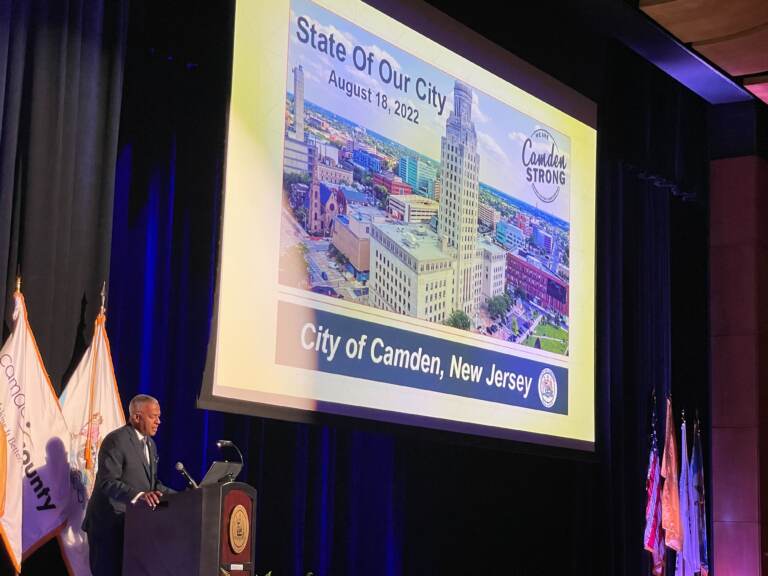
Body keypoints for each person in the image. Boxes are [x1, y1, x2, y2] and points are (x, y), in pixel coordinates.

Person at [83, 394, 174, 576]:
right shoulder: (116, 440)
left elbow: (153, 484)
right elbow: (108, 482)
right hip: (108, 525)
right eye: (153, 416)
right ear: (136, 417)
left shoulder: (151, 444)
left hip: (133, 526)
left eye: (159, 416)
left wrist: (183, 495)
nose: (158, 421)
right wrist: (140, 496)